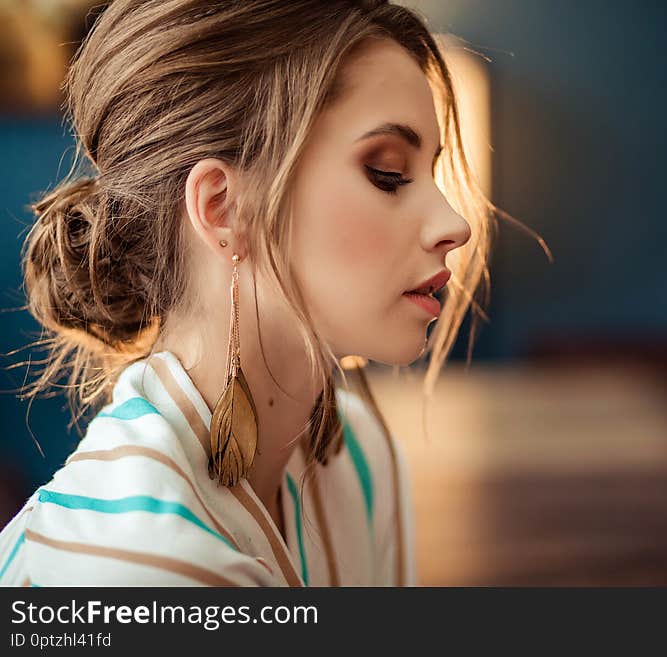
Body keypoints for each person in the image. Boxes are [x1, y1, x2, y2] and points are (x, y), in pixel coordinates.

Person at [0, 0, 501, 586]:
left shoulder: (355, 459)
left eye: (431, 174)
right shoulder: (137, 569)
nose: (453, 224)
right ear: (223, 209)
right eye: (387, 172)